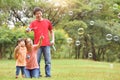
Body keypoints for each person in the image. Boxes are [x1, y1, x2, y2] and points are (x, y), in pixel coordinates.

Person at [26, 7, 55, 77]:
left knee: (48, 61)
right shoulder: (33, 23)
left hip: (46, 44)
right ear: (35, 15)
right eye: (36, 14)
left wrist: (53, 40)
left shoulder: (47, 21)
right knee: (36, 61)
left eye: (39, 13)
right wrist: (28, 30)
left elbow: (51, 31)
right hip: (37, 45)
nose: (38, 15)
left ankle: (48, 75)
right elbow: (29, 29)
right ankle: (37, 74)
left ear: (41, 13)